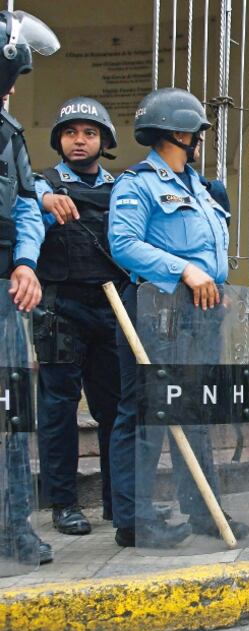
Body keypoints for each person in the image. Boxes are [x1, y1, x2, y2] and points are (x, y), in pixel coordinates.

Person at [108, 88, 248, 548]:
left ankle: (203, 506)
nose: (201, 140)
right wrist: (185, 271)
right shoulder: (138, 183)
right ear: (178, 132)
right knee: (145, 410)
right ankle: (135, 518)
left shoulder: (203, 190)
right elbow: (125, 245)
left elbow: (212, 251)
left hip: (200, 312)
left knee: (194, 410)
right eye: (197, 133)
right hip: (154, 309)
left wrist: (215, 285)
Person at [32, 98, 125, 536]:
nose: (80, 140)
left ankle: (118, 501)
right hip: (61, 310)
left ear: (104, 140)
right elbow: (23, 199)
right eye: (71, 133)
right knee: (58, 409)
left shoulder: (121, 188)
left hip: (111, 311)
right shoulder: (42, 184)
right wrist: (46, 199)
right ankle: (63, 504)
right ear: (59, 141)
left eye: (89, 133)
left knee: (114, 409)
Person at [0, 10, 60, 567]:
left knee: (11, 411)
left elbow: (24, 204)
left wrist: (24, 263)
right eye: (11, 78)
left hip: (3, 287)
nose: (14, 90)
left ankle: (13, 526)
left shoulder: (10, 132)